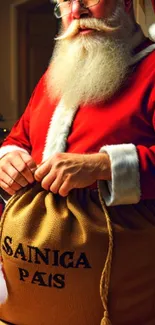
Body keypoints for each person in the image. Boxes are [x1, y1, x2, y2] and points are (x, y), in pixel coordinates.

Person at [0, 0, 155, 324]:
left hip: (127, 279)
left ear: (126, 3)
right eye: (66, 3)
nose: (77, 11)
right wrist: (9, 158)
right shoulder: (55, 75)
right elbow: (19, 138)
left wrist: (103, 166)